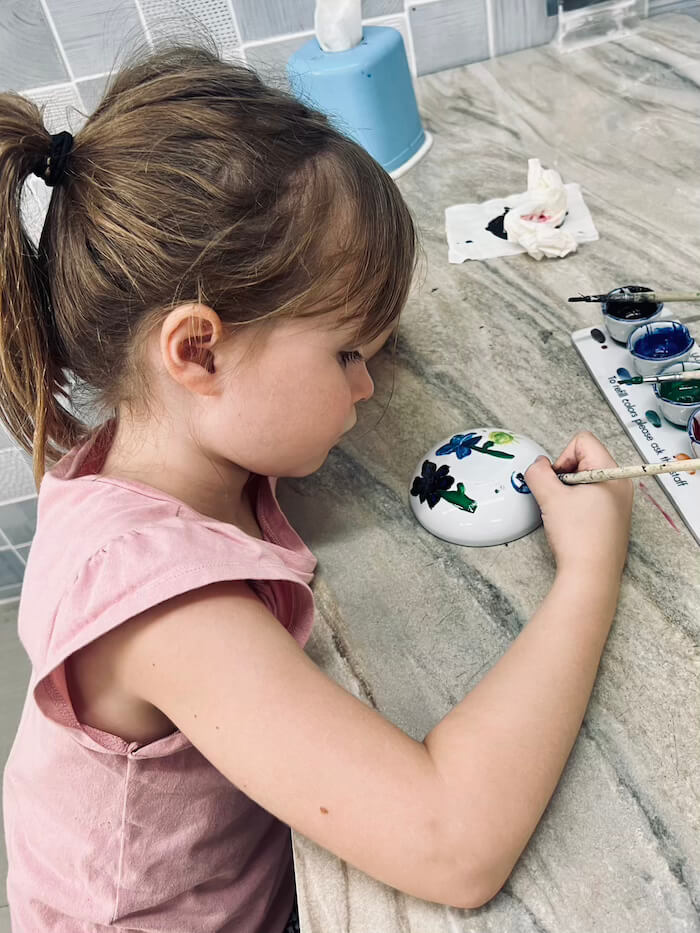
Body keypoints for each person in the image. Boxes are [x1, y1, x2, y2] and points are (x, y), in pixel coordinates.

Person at [0, 43, 632, 933]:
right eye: (348, 357)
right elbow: (453, 841)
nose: (366, 386)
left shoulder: (164, 437)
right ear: (197, 350)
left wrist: (339, 327)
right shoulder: (165, 608)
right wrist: (591, 572)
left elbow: (281, 361)